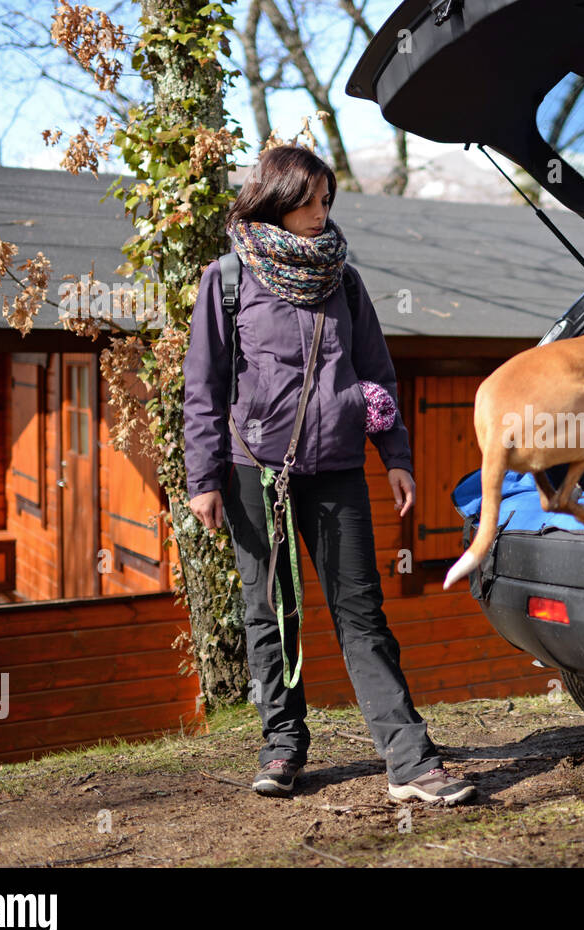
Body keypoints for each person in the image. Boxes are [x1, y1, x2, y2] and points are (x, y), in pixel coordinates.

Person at [182, 145, 475, 805]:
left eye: (327, 201)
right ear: (277, 198)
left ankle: (409, 760)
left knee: (361, 615)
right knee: (269, 614)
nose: (322, 213)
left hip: (338, 470)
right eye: (311, 200)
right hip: (253, 472)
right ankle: (282, 744)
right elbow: (201, 388)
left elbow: (376, 375)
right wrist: (202, 478)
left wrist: (395, 456)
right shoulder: (226, 280)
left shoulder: (343, 280)